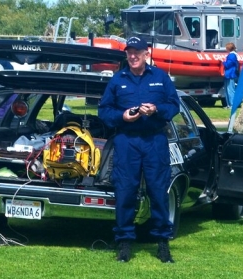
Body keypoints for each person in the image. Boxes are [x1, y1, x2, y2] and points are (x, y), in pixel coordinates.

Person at [98, 37, 180, 263]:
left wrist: (156, 109)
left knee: (158, 192)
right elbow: (104, 110)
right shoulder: (117, 80)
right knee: (125, 192)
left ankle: (162, 244)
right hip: (127, 140)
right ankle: (124, 245)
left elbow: (174, 106)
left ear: (147, 53)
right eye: (129, 52)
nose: (133, 56)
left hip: (154, 140)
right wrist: (122, 116)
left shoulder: (160, 77)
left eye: (137, 52)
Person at [221, 42, 239, 109]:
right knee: (227, 90)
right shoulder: (232, 55)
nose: (226, 49)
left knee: (230, 90)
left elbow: (228, 65)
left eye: (226, 48)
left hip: (230, 75)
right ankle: (229, 105)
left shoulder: (232, 55)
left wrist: (222, 61)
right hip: (228, 75)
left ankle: (232, 105)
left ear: (229, 48)